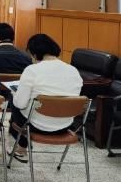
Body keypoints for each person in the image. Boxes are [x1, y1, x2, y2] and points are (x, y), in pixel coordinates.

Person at [9, 34, 83, 162]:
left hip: (36, 126)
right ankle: (21, 147)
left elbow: (20, 104)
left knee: (14, 97)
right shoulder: (74, 71)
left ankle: (21, 147)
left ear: (34, 54)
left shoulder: (32, 70)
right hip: (65, 126)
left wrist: (16, 94)